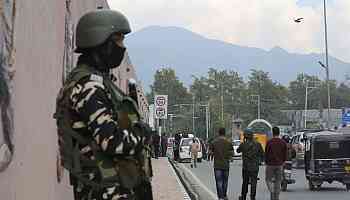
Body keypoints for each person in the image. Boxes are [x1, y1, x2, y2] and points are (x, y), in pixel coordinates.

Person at [54, 9, 152, 200]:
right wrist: (142, 133)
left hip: (112, 188)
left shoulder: (97, 81)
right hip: (104, 191)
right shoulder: (88, 85)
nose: (122, 47)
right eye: (118, 40)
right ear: (100, 41)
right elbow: (112, 141)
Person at [237, 128, 264, 200]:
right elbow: (262, 154)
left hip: (246, 167)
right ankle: (252, 197)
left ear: (245, 136)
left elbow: (238, 150)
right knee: (254, 182)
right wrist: (260, 160)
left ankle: (243, 196)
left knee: (245, 182)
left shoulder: (243, 144)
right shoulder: (258, 144)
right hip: (255, 167)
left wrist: (243, 142)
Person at [265, 127, 287, 200]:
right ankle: (276, 197)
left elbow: (266, 154)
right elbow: (285, 155)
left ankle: (272, 191)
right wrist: (283, 162)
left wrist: (266, 162)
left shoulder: (269, 142)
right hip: (279, 165)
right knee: (278, 181)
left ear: (272, 133)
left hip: (270, 164)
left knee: (268, 180)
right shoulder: (283, 142)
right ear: (279, 132)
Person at [211, 128, 233, 200]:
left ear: (218, 133)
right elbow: (232, 153)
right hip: (226, 165)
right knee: (225, 181)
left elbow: (210, 152)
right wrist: (228, 156)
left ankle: (220, 197)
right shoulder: (229, 142)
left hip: (217, 165)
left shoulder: (214, 142)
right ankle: (224, 195)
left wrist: (215, 154)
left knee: (219, 181)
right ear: (225, 133)